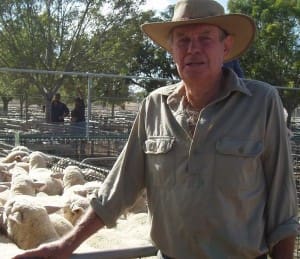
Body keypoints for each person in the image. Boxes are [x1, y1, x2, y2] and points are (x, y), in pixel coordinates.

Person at [13, 0, 299, 258]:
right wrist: (66, 245)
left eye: (205, 38)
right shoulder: (154, 105)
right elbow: (119, 188)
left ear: (225, 47)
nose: (193, 48)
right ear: (172, 51)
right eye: (183, 40)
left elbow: (281, 201)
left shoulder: (261, 102)